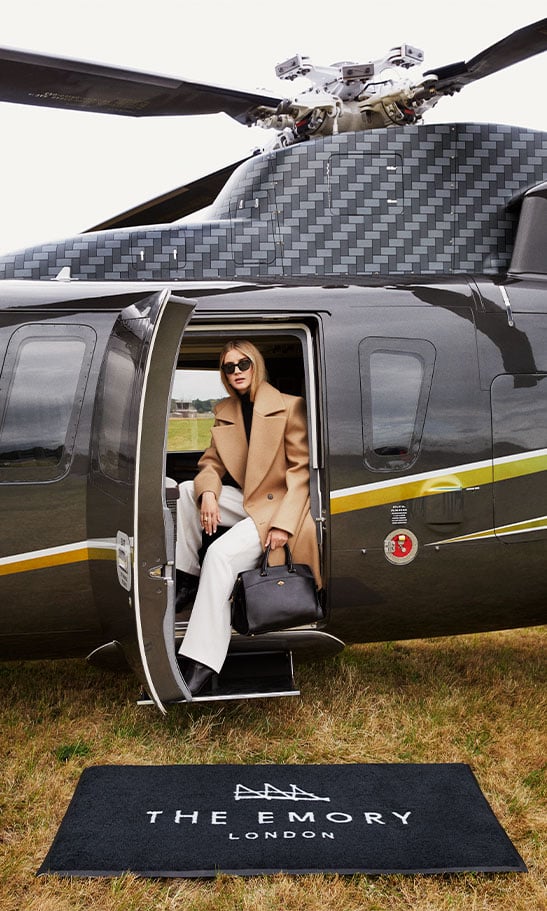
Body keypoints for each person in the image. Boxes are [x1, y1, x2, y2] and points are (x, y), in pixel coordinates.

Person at [175, 339, 321, 697]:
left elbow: (301, 474)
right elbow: (210, 464)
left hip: (277, 504)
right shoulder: (225, 410)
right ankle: (186, 579)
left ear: (256, 365)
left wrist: (284, 526)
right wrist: (208, 491)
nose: (237, 372)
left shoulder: (290, 407)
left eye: (243, 364)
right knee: (184, 492)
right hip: (250, 500)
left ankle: (203, 661)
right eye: (229, 367)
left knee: (221, 556)